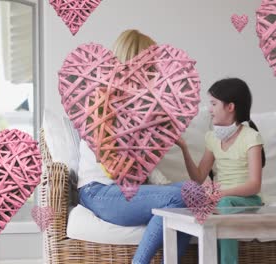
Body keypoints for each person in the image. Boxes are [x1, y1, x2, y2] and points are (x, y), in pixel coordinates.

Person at [77, 29, 191, 264]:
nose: (155, 74)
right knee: (181, 196)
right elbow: (111, 163)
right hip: (99, 191)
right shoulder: (101, 99)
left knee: (193, 192)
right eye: (151, 67)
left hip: (125, 190)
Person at [176, 77, 265, 264]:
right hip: (222, 198)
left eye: (214, 103)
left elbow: (254, 185)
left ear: (230, 107)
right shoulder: (212, 138)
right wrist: (184, 149)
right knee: (188, 198)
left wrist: (220, 193)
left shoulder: (251, 137)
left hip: (247, 199)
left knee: (222, 202)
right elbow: (199, 177)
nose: (209, 109)